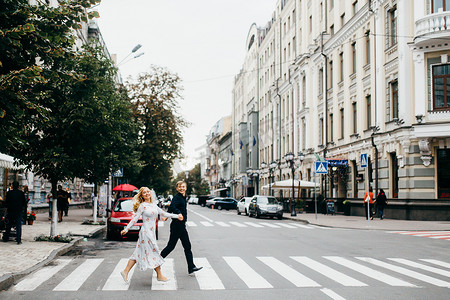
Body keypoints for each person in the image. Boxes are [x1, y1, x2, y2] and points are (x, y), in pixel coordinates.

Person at [120, 187, 183, 284]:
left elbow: (164, 213)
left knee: (137, 253)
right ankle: (159, 275)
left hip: (151, 233)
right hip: (145, 234)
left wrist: (177, 216)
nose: (146, 193)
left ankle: (125, 271)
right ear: (142, 195)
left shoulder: (154, 205)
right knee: (155, 252)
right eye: (144, 192)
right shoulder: (142, 206)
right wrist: (126, 229)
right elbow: (135, 219)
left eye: (148, 192)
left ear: (150, 193)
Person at [160, 181, 203, 275]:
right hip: (177, 225)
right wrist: (178, 212)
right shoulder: (177, 197)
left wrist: (167, 216)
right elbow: (172, 206)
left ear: (186, 188)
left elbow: (170, 208)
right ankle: (157, 261)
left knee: (187, 246)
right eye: (179, 187)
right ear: (177, 188)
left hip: (181, 225)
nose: (181, 188)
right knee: (171, 246)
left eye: (183, 187)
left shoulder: (183, 197)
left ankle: (191, 267)